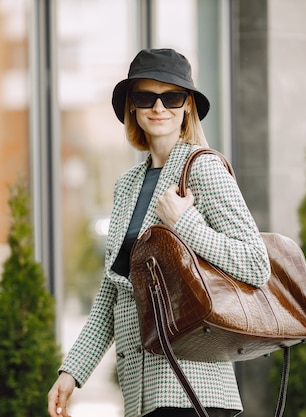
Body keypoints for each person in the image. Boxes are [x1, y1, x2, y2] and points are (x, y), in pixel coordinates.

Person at [47, 48, 271, 417]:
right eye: (145, 97)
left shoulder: (203, 168)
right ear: (132, 107)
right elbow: (113, 293)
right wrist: (72, 372)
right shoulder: (126, 185)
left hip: (194, 387)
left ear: (187, 107)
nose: (158, 107)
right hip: (143, 394)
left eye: (172, 97)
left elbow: (254, 263)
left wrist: (185, 225)